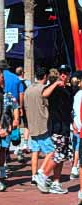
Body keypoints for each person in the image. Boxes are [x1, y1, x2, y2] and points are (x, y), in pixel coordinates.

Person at [36, 66, 74, 194]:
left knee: (62, 156)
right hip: (56, 126)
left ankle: (56, 183)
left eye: (66, 74)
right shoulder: (54, 88)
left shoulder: (69, 89)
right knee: (57, 154)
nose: (63, 76)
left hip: (65, 127)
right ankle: (43, 175)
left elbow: (70, 109)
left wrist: (73, 122)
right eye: (61, 73)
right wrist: (56, 83)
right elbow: (44, 94)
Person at [23, 67, 54, 186]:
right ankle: (41, 174)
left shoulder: (28, 89)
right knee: (51, 151)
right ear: (45, 76)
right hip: (43, 125)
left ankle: (33, 175)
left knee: (35, 151)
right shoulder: (44, 89)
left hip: (32, 124)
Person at [71, 72, 82, 180]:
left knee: (76, 147)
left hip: (75, 124)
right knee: (78, 147)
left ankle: (75, 166)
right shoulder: (79, 94)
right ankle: (74, 167)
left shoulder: (76, 94)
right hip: (78, 125)